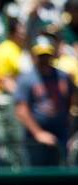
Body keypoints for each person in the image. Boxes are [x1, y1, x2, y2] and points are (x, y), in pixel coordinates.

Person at [15, 35, 75, 166]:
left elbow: (72, 100)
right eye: (40, 56)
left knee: (60, 175)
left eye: (47, 55)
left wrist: (69, 127)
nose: (44, 59)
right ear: (34, 56)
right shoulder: (27, 78)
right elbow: (21, 110)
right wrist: (38, 133)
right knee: (36, 177)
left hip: (60, 135)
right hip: (34, 138)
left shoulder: (63, 77)